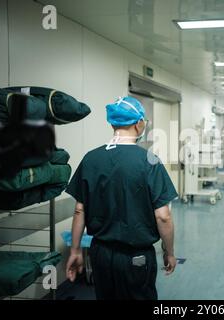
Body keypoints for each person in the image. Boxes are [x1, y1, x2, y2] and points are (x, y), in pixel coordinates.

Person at [65, 96, 178, 300]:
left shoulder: (91, 158)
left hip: (100, 254)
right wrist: (169, 252)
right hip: (137, 257)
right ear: (138, 123)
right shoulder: (149, 160)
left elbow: (79, 210)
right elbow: (163, 216)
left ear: (112, 123)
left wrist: (75, 250)